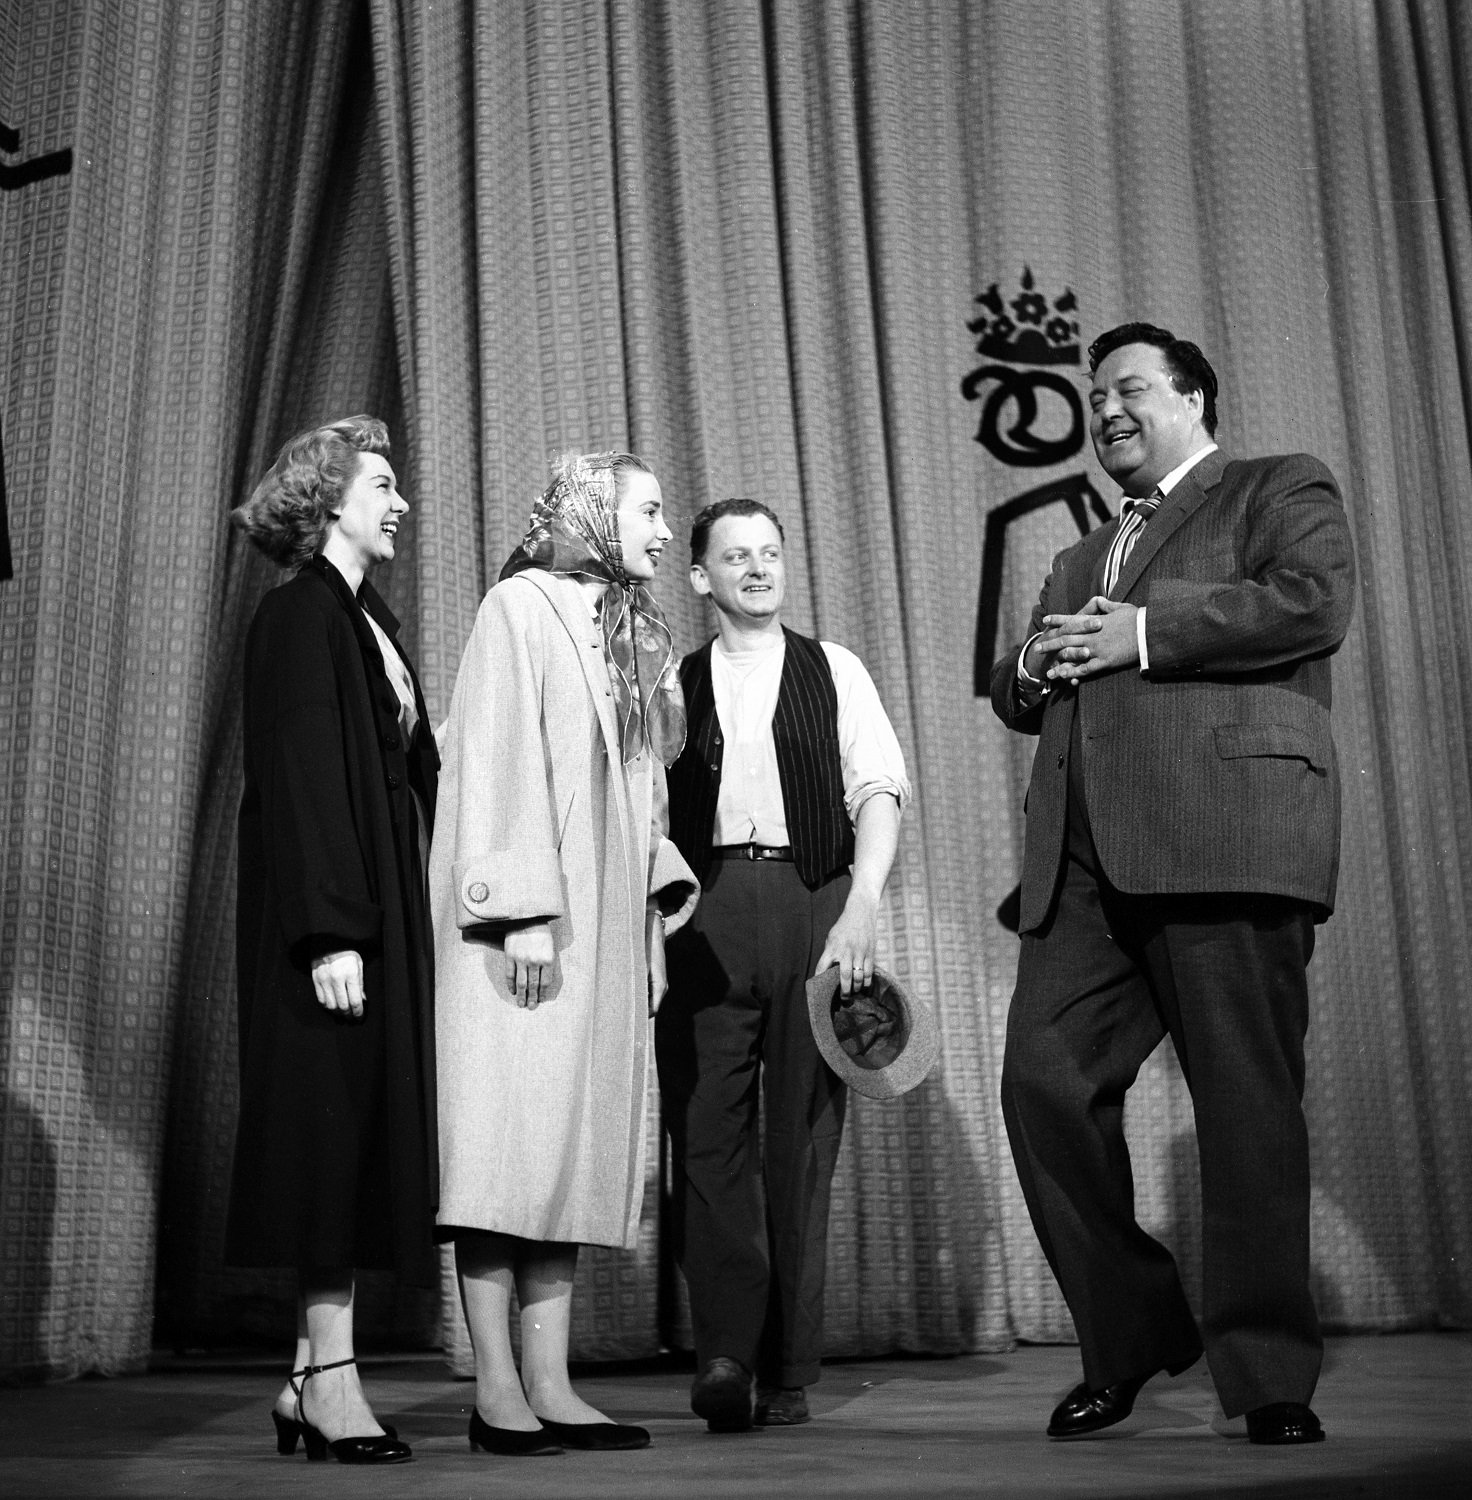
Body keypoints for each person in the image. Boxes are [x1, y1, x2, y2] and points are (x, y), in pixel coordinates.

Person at [991, 323, 1356, 1445]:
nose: (1102, 410)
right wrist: (1029, 667)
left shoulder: (1273, 486)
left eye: (1127, 389)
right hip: (1087, 866)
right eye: (1091, 395)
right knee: (1042, 1084)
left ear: (1192, 397)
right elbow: (1027, 688)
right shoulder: (1076, 552)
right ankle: (1135, 1327)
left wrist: (1142, 634)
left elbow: (1309, 603)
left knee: (1245, 1112)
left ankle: (1265, 1375)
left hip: (1224, 838)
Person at [431, 451, 698, 1457]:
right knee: (507, 1150)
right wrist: (520, 913)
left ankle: (551, 1378)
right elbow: (492, 757)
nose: (665, 532)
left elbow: (635, 794)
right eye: (650, 509)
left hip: (601, 932)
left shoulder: (627, 630)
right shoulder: (520, 607)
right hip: (529, 928)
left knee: (567, 1155)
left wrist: (649, 911)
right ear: (590, 512)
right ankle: (495, 1382)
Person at [657, 499, 910, 1432]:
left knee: (802, 1137)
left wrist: (862, 905)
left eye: (770, 553)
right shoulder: (675, 682)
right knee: (707, 1133)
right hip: (704, 908)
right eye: (736, 556)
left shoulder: (834, 668)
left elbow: (876, 789)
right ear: (700, 578)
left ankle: (788, 1369)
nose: (758, 569)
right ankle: (725, 1351)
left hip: (814, 901)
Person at [227, 415, 438, 1465]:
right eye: (383, 483)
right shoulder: (295, 618)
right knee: (324, 1149)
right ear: (326, 501)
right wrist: (328, 934)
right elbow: (304, 781)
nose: (399, 500)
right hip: (332, 928)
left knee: (350, 1145)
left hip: (377, 912)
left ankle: (309, 1380)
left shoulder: (366, 622)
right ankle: (331, 1383)